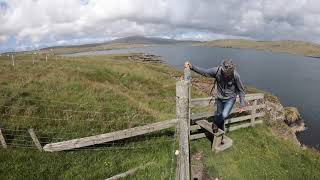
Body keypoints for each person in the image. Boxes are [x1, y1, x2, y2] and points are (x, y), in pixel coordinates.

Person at [185, 58, 246, 137]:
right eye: (225, 72)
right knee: (219, 115)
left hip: (230, 98)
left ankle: (215, 123)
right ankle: (221, 135)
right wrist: (192, 67)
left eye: (228, 72)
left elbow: (241, 90)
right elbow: (204, 72)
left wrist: (242, 104)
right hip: (220, 98)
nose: (227, 74)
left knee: (224, 115)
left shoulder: (235, 75)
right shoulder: (216, 71)